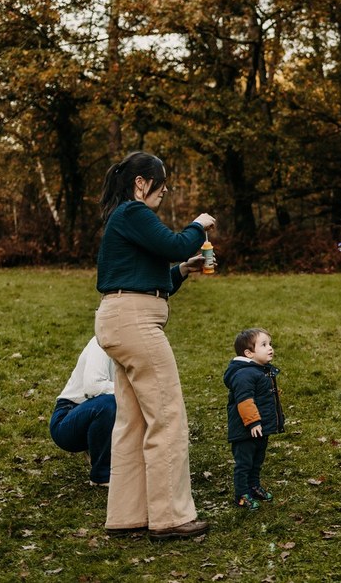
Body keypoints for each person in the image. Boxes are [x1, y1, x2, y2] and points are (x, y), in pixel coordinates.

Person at [95, 151, 216, 540]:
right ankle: (171, 517)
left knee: (133, 421)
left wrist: (181, 271)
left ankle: (127, 514)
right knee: (166, 414)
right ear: (141, 183)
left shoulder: (125, 220)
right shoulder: (133, 212)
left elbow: (145, 274)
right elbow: (177, 242)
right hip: (134, 321)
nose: (163, 194)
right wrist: (198, 225)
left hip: (119, 316)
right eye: (160, 187)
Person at [224, 328, 284, 511]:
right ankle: (241, 494)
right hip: (245, 430)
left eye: (270, 344)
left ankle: (253, 486)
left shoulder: (259, 370)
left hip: (260, 428)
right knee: (244, 463)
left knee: (257, 461)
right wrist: (253, 422)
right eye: (264, 345)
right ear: (249, 353)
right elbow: (245, 401)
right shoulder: (244, 374)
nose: (270, 348)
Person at [49, 337, 117, 486]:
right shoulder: (101, 343)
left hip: (95, 411)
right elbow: (93, 388)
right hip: (67, 419)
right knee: (109, 403)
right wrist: (131, 388)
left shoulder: (135, 346)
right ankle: (101, 475)